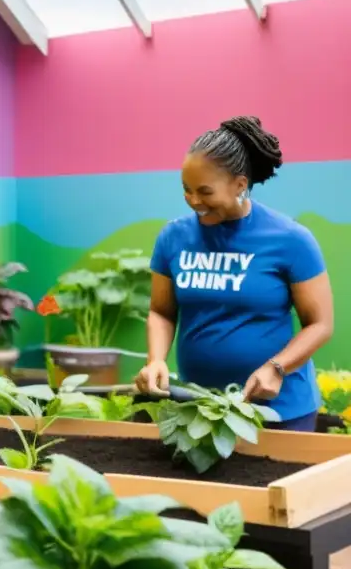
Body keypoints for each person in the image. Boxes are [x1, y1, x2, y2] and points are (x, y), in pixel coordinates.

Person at [135, 116, 333, 431]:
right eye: (186, 189)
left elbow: (321, 324)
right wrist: (155, 359)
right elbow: (161, 312)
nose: (194, 201)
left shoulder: (291, 239)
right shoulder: (172, 237)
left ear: (240, 185)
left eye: (205, 191)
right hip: (200, 409)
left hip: (279, 412)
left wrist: (277, 368)